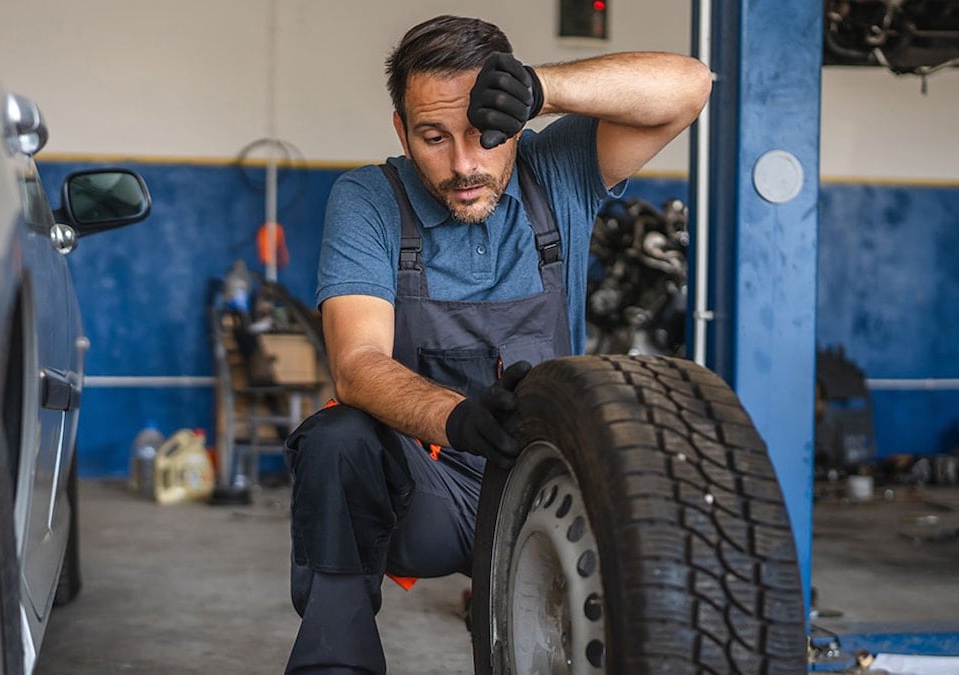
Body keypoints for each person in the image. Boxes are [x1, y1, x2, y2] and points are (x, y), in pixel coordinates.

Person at [282, 15, 711, 674]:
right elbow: (357, 363)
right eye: (434, 137)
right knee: (334, 439)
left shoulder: (558, 172)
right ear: (401, 130)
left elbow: (689, 86)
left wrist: (544, 87)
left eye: (485, 134)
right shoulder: (370, 199)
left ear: (515, 121)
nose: (464, 165)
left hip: (548, 480)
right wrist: (458, 418)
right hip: (430, 491)